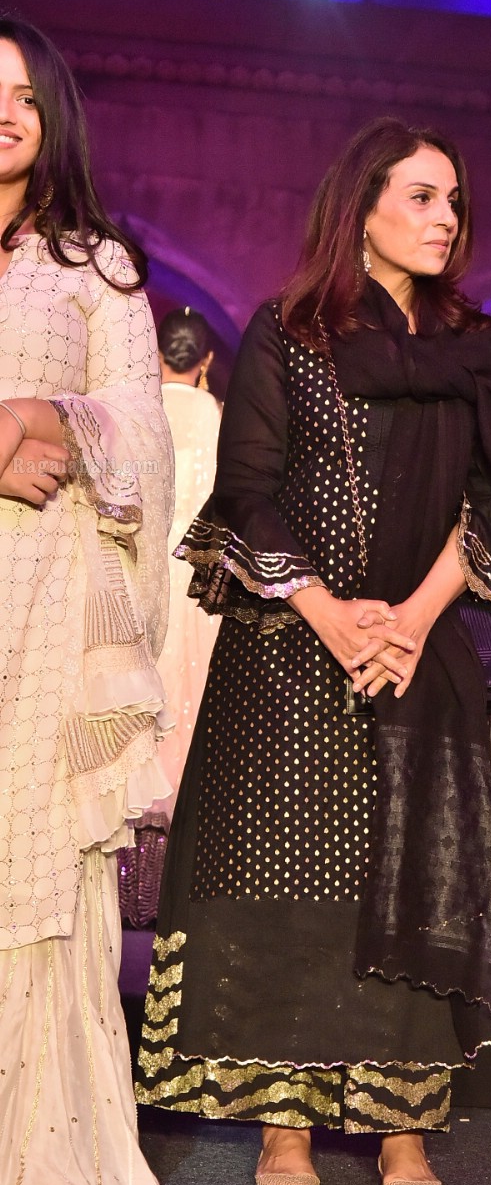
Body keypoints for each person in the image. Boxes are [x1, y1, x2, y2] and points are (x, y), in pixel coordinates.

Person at [135, 118, 491, 1185]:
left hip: (417, 659)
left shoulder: (484, 355)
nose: (445, 219)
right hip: (292, 651)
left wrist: (407, 620)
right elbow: (249, 487)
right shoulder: (289, 330)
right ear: (361, 206)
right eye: (420, 197)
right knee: (288, 882)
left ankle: (404, 1123)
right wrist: (329, 613)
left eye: (454, 201)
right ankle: (286, 1121)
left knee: (405, 881)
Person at [0, 17, 172, 1185]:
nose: (3, 110)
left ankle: (47, 1143)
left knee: (39, 845)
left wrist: (46, 416)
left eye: (21, 92)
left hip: (48, 593)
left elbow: (142, 431)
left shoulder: (95, 268)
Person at [155, 307, 222, 813]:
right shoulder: (217, 415)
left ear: (155, 355)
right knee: (193, 688)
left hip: (144, 569)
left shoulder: (140, 409)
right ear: (208, 359)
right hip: (199, 573)